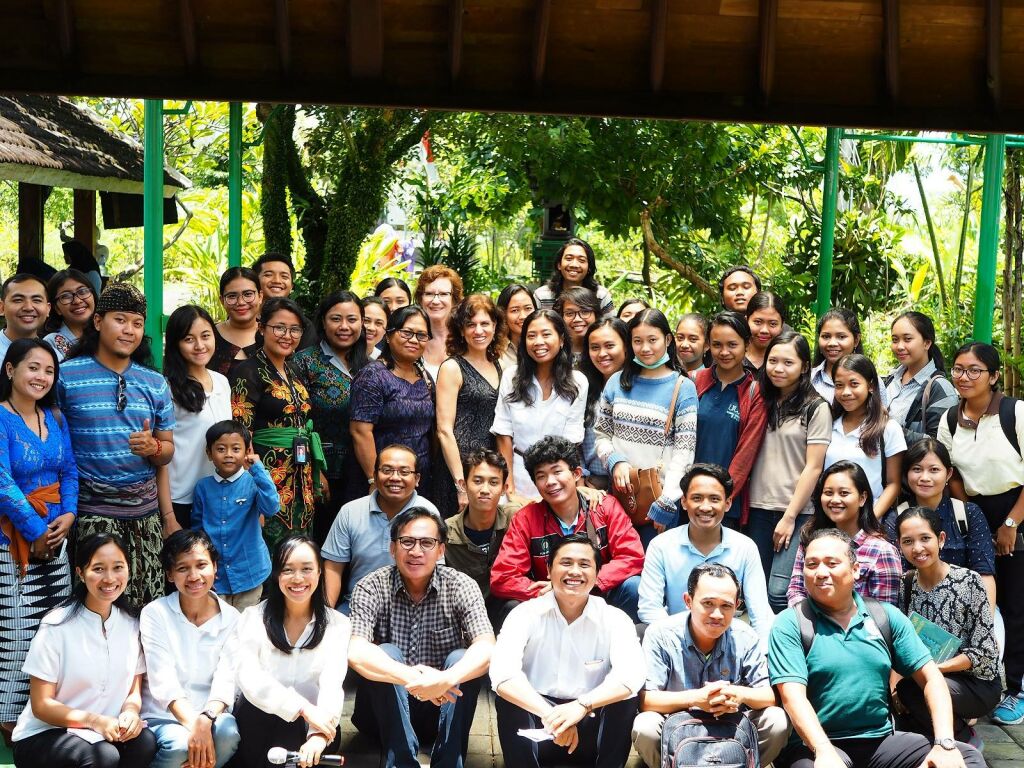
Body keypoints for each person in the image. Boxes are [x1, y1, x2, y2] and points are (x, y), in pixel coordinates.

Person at [768, 527, 983, 768]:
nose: (820, 572)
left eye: (831, 563)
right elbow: (792, 696)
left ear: (856, 569)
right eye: (812, 564)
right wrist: (824, 750)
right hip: (814, 745)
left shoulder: (884, 616)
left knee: (965, 757)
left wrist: (944, 743)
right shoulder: (790, 623)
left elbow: (932, 678)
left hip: (880, 741)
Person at [347, 507, 495, 768]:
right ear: (393, 548)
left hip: (443, 708)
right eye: (407, 542)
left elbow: (487, 647)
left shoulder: (461, 585)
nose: (416, 551)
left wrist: (445, 679)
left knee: (462, 658)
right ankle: (400, 762)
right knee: (386, 653)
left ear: (441, 550)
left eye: (427, 543)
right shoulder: (370, 586)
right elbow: (356, 652)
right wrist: (414, 679)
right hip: (383, 715)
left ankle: (450, 762)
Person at [59, 282, 175, 606]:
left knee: (146, 608)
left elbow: (168, 450)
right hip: (90, 514)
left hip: (145, 516)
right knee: (95, 607)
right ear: (98, 322)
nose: (129, 330)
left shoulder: (155, 382)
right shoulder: (66, 377)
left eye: (137, 323)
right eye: (120, 320)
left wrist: (153, 448)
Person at [491, 534, 643, 768]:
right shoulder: (524, 614)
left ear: (596, 573)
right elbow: (502, 674)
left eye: (584, 565)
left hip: (589, 718)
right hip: (537, 720)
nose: (575, 572)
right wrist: (553, 717)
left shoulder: (615, 619)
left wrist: (581, 706)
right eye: (566, 563)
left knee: (625, 696)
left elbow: (630, 676)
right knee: (508, 695)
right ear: (549, 570)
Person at [11, 533, 157, 768]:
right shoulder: (56, 625)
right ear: (80, 572)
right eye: (98, 569)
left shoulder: (132, 624)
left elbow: (133, 692)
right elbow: (41, 705)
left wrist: (130, 713)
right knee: (104, 756)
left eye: (118, 567)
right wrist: (92, 721)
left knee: (144, 742)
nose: (109, 578)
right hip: (44, 735)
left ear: (129, 569)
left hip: (102, 733)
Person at [937, 341, 1024, 725]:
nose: (965, 377)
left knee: (1017, 603)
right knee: (983, 599)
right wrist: (971, 517)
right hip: (973, 512)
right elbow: (949, 472)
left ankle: (1016, 688)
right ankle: (980, 679)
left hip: (1017, 510)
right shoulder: (950, 418)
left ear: (993, 376)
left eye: (974, 370)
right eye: (958, 369)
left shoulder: (1015, 412)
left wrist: (1010, 524)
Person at [632, 563, 790, 768]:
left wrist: (737, 694)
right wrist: (695, 699)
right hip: (678, 726)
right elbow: (645, 700)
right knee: (645, 725)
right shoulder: (660, 634)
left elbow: (769, 696)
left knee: (776, 720)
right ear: (688, 601)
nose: (717, 614)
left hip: (730, 726)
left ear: (737, 605)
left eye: (726, 606)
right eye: (708, 603)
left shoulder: (745, 636)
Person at [0, 339, 77, 733]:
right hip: (12, 542)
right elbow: (2, 481)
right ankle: (11, 725)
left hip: (56, 538)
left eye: (48, 370)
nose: (41, 377)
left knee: (53, 629)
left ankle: (47, 717)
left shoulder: (56, 418)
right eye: (33, 368)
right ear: (11, 370)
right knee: (16, 635)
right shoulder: (0, 418)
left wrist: (69, 514)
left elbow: (69, 471)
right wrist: (34, 531)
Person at [490, 436, 645, 622]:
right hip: (550, 604)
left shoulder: (605, 507)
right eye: (541, 476)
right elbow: (502, 577)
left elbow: (632, 556)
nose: (550, 481)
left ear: (577, 473)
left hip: (600, 595)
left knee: (635, 587)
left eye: (557, 471)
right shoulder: (526, 519)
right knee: (511, 607)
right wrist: (555, 590)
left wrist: (588, 582)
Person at [234, 535, 351, 768]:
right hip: (260, 718)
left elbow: (332, 684)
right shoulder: (253, 617)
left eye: (307, 569)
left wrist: (319, 735)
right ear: (277, 574)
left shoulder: (338, 624)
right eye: (288, 570)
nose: (298, 579)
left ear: (319, 572)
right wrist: (303, 708)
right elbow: (250, 678)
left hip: (314, 725)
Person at [893, 507, 1001, 744]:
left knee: (914, 692)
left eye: (925, 538)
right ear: (900, 545)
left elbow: (984, 653)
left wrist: (932, 670)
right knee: (903, 700)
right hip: (929, 675)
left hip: (976, 683)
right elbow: (902, 642)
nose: (917, 548)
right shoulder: (907, 582)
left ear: (941, 539)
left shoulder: (969, 581)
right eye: (908, 541)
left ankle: (963, 742)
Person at [595, 309, 698, 545]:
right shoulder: (616, 382)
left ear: (667, 340)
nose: (645, 348)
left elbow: (685, 452)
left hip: (660, 501)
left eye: (653, 340)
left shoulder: (683, 388)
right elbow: (601, 434)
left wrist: (667, 501)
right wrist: (615, 461)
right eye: (638, 341)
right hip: (619, 499)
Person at [638, 464, 772, 643]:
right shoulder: (661, 546)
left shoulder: (745, 548)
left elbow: (760, 613)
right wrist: (681, 643)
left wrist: (762, 656)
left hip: (726, 639)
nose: (705, 507)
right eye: (697, 498)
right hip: (676, 639)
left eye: (714, 499)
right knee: (641, 632)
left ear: (728, 503)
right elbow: (650, 608)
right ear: (684, 502)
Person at [140, 530, 241, 768]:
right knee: (180, 745)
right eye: (183, 568)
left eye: (202, 565)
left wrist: (205, 720)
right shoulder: (155, 613)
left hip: (212, 715)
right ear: (169, 574)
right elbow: (163, 681)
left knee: (228, 735)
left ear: (215, 567)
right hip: (163, 715)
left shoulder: (233, 618)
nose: (194, 575)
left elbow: (226, 678)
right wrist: (195, 726)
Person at [747, 332, 830, 612]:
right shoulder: (758, 398)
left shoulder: (816, 407)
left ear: (805, 366)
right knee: (753, 590)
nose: (778, 369)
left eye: (788, 362)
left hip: (797, 510)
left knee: (779, 592)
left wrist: (790, 516)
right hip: (756, 506)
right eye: (773, 361)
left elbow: (814, 466)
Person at [230, 297, 320, 549]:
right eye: (279, 327)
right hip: (268, 476)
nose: (287, 335)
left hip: (302, 477)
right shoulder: (247, 371)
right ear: (261, 328)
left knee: (299, 550)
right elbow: (241, 433)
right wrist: (251, 489)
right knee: (269, 547)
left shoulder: (294, 371)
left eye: (294, 329)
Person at [321, 444, 439, 612]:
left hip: (412, 608)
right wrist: (327, 617)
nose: (395, 478)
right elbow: (333, 568)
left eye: (404, 472)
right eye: (387, 470)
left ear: (417, 479)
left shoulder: (428, 513)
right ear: (375, 476)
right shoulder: (350, 511)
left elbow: (436, 569)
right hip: (358, 604)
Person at [292, 291, 371, 538]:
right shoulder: (304, 362)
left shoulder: (370, 366)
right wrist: (314, 470)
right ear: (323, 322)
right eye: (336, 319)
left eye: (352, 319)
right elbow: (297, 426)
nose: (344, 327)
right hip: (321, 472)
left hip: (360, 472)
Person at [491, 310, 589, 503]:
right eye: (531, 336)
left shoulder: (578, 382)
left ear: (561, 340)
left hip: (556, 478)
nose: (538, 342)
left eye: (546, 334)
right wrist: (510, 486)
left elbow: (571, 441)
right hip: (517, 473)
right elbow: (504, 433)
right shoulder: (511, 377)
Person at [888, 438, 995, 604]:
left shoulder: (968, 514)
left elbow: (984, 574)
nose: (925, 477)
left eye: (934, 470)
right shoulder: (895, 518)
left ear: (949, 474)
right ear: (906, 473)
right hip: (915, 610)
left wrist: (984, 624)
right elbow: (895, 578)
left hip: (967, 607)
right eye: (916, 469)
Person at [786, 461, 902, 607]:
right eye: (828, 493)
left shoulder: (882, 551)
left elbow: (884, 613)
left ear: (862, 498)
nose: (835, 500)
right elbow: (796, 591)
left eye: (844, 493)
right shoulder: (811, 539)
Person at [191, 421, 279, 610]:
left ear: (246, 451)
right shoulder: (202, 487)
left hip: (249, 573)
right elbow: (197, 529)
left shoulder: (253, 482)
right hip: (216, 577)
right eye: (221, 449)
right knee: (218, 624)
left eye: (236, 449)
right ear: (209, 453)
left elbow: (271, 507)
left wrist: (257, 468)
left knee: (245, 628)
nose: (229, 454)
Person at [694, 312, 768, 529]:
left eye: (732, 345)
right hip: (687, 499)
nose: (724, 352)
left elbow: (746, 453)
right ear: (709, 345)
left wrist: (718, 497)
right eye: (717, 344)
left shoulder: (755, 392)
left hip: (726, 504)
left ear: (746, 344)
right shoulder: (693, 381)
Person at [349, 306, 436, 490]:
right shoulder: (373, 375)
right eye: (406, 333)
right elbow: (360, 432)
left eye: (421, 335)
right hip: (384, 479)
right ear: (388, 336)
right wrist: (374, 481)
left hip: (419, 480)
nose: (414, 340)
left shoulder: (425, 377)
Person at [161, 305, 232, 528]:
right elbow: (161, 458)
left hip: (219, 493)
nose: (200, 345)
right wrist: (168, 517)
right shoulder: (167, 388)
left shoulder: (222, 381)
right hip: (181, 498)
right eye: (189, 339)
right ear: (176, 344)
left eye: (205, 336)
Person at [435, 293, 505, 512]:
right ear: (461, 331)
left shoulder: (498, 365)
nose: (478, 330)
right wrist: (461, 485)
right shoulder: (452, 367)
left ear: (494, 326)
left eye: (485, 323)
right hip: (458, 469)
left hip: (489, 470)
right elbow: (444, 430)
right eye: (470, 324)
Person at [825, 353, 906, 521]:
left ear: (871, 386)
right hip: (828, 521)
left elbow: (893, 484)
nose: (845, 392)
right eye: (839, 385)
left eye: (854, 384)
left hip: (869, 523)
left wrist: (870, 522)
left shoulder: (888, 428)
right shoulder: (828, 424)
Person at [443, 449, 515, 622]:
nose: (485, 490)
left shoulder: (515, 519)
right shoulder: (445, 533)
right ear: (463, 485)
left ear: (504, 488)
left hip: (503, 611)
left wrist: (586, 492)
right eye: (477, 481)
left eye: (493, 482)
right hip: (462, 616)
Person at [885, 311, 958, 445]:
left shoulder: (939, 389)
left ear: (927, 343)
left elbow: (939, 444)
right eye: (895, 340)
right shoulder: (889, 379)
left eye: (907, 339)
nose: (899, 346)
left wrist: (886, 428)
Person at [579, 318, 630, 490]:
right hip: (591, 488)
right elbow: (573, 441)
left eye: (609, 346)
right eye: (595, 347)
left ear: (626, 346)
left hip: (630, 484)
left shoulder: (640, 389)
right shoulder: (583, 389)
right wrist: (583, 479)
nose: (602, 354)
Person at [810, 307, 888, 406]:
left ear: (856, 340)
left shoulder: (871, 380)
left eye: (841, 337)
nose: (832, 343)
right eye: (826, 336)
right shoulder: (809, 379)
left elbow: (880, 417)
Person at [533, 237, 614, 316]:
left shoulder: (601, 296)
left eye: (581, 260)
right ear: (559, 265)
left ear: (589, 268)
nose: (574, 265)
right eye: (569, 259)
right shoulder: (542, 296)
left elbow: (612, 327)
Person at [250, 254, 316, 350]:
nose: (277, 280)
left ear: (292, 286)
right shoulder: (243, 318)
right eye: (268, 275)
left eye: (284, 276)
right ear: (255, 281)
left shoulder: (304, 324)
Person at [209, 267, 262, 376]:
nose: (241, 302)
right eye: (232, 296)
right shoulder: (207, 336)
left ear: (260, 296)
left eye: (248, 294)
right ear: (222, 300)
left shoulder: (273, 335)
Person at [414, 265, 464, 382]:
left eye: (443, 294)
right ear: (420, 299)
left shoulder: (465, 339)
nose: (435, 301)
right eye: (429, 294)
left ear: (454, 299)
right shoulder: (411, 339)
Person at [43, 269, 97, 362]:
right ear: (56, 308)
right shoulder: (52, 342)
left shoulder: (107, 334)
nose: (77, 301)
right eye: (66, 296)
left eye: (82, 291)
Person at [0, 274, 50, 362]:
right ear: (2, 307)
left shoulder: (55, 353)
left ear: (48, 309)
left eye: (36, 300)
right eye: (18, 300)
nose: (28, 307)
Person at [554, 287, 601, 365]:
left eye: (585, 312)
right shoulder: (555, 349)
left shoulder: (604, 349)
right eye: (569, 313)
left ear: (596, 315)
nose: (577, 319)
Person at [496, 283, 536, 371]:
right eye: (515, 310)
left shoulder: (544, 345)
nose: (523, 316)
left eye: (528, 308)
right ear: (503, 314)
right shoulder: (495, 350)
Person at [744, 291, 786, 370]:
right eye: (758, 322)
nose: (764, 330)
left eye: (773, 324)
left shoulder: (787, 364)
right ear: (746, 321)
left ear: (782, 325)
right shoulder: (731, 358)